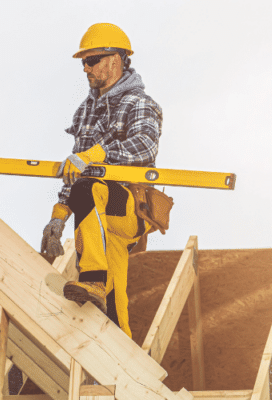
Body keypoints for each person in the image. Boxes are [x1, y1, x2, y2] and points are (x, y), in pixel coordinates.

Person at [39, 23, 163, 339]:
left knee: (90, 186)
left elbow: (145, 148)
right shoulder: (86, 112)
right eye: (84, 61)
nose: (86, 67)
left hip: (128, 208)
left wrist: (96, 154)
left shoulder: (140, 103)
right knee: (112, 300)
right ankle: (126, 358)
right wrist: (58, 216)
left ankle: (93, 276)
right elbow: (75, 168)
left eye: (92, 60)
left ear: (115, 60)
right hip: (95, 215)